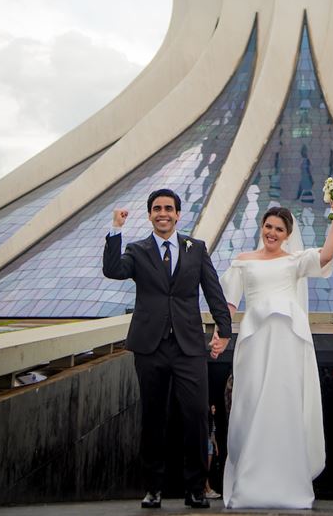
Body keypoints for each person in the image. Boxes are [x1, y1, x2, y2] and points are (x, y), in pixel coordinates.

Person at [210, 199, 333, 509]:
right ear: (262, 228)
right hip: (255, 340)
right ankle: (249, 480)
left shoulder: (294, 261)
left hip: (287, 340)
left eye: (279, 229)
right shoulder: (243, 261)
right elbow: (229, 305)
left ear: (287, 234)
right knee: (252, 401)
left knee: (284, 402)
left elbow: (326, 256)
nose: (272, 232)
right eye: (268, 226)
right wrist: (219, 334)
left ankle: (288, 483)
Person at [103, 188, 232, 510]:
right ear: (150, 215)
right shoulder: (137, 250)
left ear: (177, 214)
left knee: (196, 416)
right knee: (153, 417)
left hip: (189, 346)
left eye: (169, 208)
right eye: (157, 208)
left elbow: (214, 292)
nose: (163, 213)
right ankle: (153, 487)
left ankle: (195, 489)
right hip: (150, 346)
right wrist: (115, 230)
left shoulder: (196, 249)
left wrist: (224, 330)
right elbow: (113, 271)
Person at [204, 404, 220, 499]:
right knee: (205, 468)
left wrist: (216, 446)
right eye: (213, 408)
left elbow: (213, 434)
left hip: (210, 444)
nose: (214, 409)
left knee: (207, 469)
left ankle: (206, 490)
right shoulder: (207, 420)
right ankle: (208, 489)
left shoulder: (212, 420)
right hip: (207, 443)